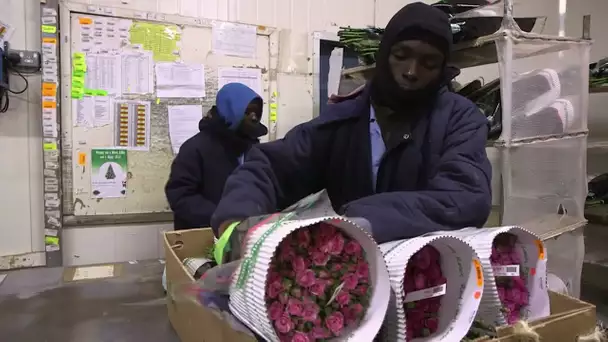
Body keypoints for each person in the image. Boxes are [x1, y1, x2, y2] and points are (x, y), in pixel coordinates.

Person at [211, 2, 492, 243]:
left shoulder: (459, 119)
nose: (411, 71)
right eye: (401, 55)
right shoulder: (343, 119)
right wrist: (236, 220)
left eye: (429, 63)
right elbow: (270, 168)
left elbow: (465, 198)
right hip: (349, 281)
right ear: (384, 55)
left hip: (428, 282)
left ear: (443, 67)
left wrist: (361, 221)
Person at [164, 83, 268, 230]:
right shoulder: (195, 148)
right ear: (229, 110)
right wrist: (221, 217)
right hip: (203, 236)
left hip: (245, 233)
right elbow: (180, 195)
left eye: (257, 112)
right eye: (248, 111)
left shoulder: (253, 149)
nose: (253, 117)